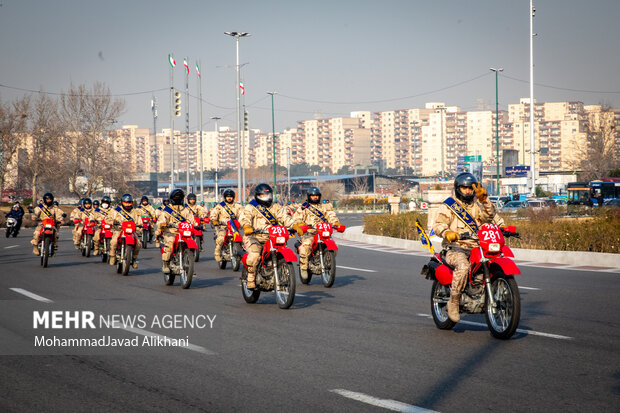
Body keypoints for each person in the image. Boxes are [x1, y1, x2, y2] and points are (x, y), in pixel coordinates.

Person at [432, 172, 496, 323]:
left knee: (492, 262)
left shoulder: (478, 206)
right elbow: (438, 225)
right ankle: (453, 301)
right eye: (464, 188)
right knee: (463, 266)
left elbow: (491, 216)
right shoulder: (449, 206)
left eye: (470, 188)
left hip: (477, 247)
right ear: (458, 188)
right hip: (456, 248)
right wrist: (447, 232)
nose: (467, 191)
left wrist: (485, 199)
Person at [239, 184, 304, 289]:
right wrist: (246, 226)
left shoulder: (276, 207)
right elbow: (244, 217)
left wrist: (295, 226)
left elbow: (284, 218)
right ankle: (251, 278)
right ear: (257, 196)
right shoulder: (251, 207)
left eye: (267, 195)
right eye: (263, 195)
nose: (266, 198)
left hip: (272, 237)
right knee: (255, 255)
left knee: (281, 250)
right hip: (254, 237)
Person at [292, 186, 343, 280]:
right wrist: (301, 224)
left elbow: (331, 215)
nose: (315, 197)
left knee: (334, 245)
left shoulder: (324, 207)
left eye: (317, 196)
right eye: (313, 196)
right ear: (309, 196)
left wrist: (336, 223)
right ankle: (303, 268)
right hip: (309, 233)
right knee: (306, 246)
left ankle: (327, 260)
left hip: (323, 232)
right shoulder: (303, 207)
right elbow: (297, 218)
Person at [155, 189, 194, 274]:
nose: (177, 200)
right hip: (170, 232)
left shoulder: (185, 210)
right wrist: (163, 224)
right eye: (176, 198)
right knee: (170, 244)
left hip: (183, 232)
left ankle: (189, 264)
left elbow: (191, 220)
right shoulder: (167, 210)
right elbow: (161, 220)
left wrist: (195, 224)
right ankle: (165, 263)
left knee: (191, 242)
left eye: (179, 198)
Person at [108, 194, 143, 268]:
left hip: (131, 231)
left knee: (138, 243)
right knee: (114, 241)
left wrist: (139, 227)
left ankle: (134, 259)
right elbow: (108, 219)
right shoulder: (116, 211)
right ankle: (112, 256)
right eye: (126, 202)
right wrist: (113, 222)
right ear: (122, 202)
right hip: (119, 230)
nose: (127, 204)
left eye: (129, 202)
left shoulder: (136, 212)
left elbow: (139, 222)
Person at [209, 188, 243, 263]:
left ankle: (239, 254)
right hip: (223, 227)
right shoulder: (220, 206)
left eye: (231, 196)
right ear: (225, 197)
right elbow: (214, 213)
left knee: (242, 239)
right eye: (227, 196)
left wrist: (243, 222)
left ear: (233, 197)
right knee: (221, 238)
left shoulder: (238, 206)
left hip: (234, 227)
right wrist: (214, 220)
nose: (229, 198)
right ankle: (217, 253)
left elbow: (242, 215)